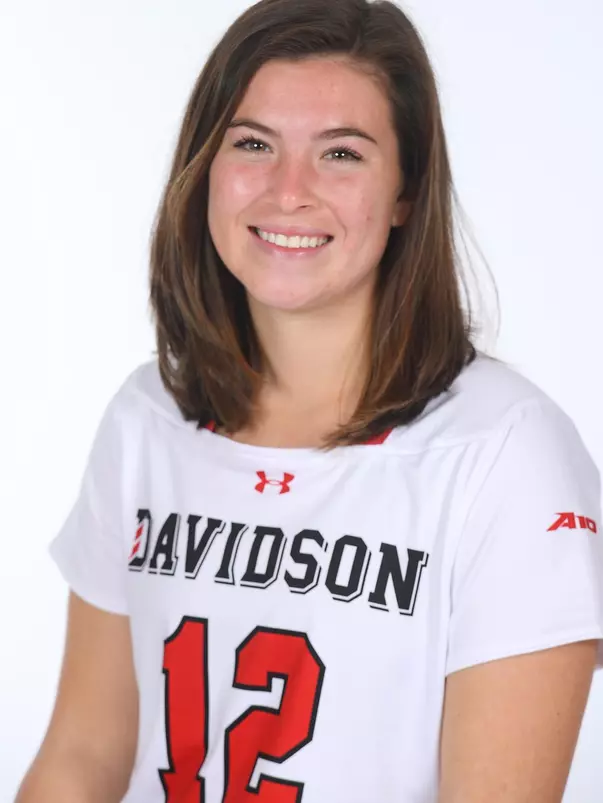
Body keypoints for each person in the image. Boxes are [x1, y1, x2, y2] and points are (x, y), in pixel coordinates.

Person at [16, 0, 603, 801]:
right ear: (204, 167)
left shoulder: (505, 450)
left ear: (405, 191)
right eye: (253, 144)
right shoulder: (147, 416)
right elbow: (81, 755)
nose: (288, 191)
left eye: (340, 154)